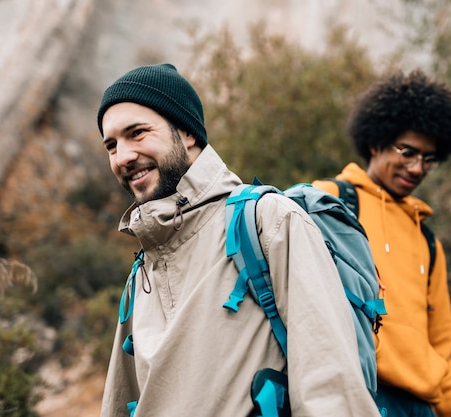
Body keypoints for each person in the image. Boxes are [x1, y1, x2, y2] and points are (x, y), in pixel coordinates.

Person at [96, 63, 381, 417]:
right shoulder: (141, 276)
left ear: (186, 132)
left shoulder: (268, 221)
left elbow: (330, 387)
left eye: (137, 133)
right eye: (111, 146)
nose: (122, 157)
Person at [313, 70, 451, 417]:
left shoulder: (428, 242)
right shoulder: (331, 201)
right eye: (407, 152)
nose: (417, 167)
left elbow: (439, 351)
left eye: (428, 158)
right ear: (376, 143)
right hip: (357, 397)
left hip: (421, 408)